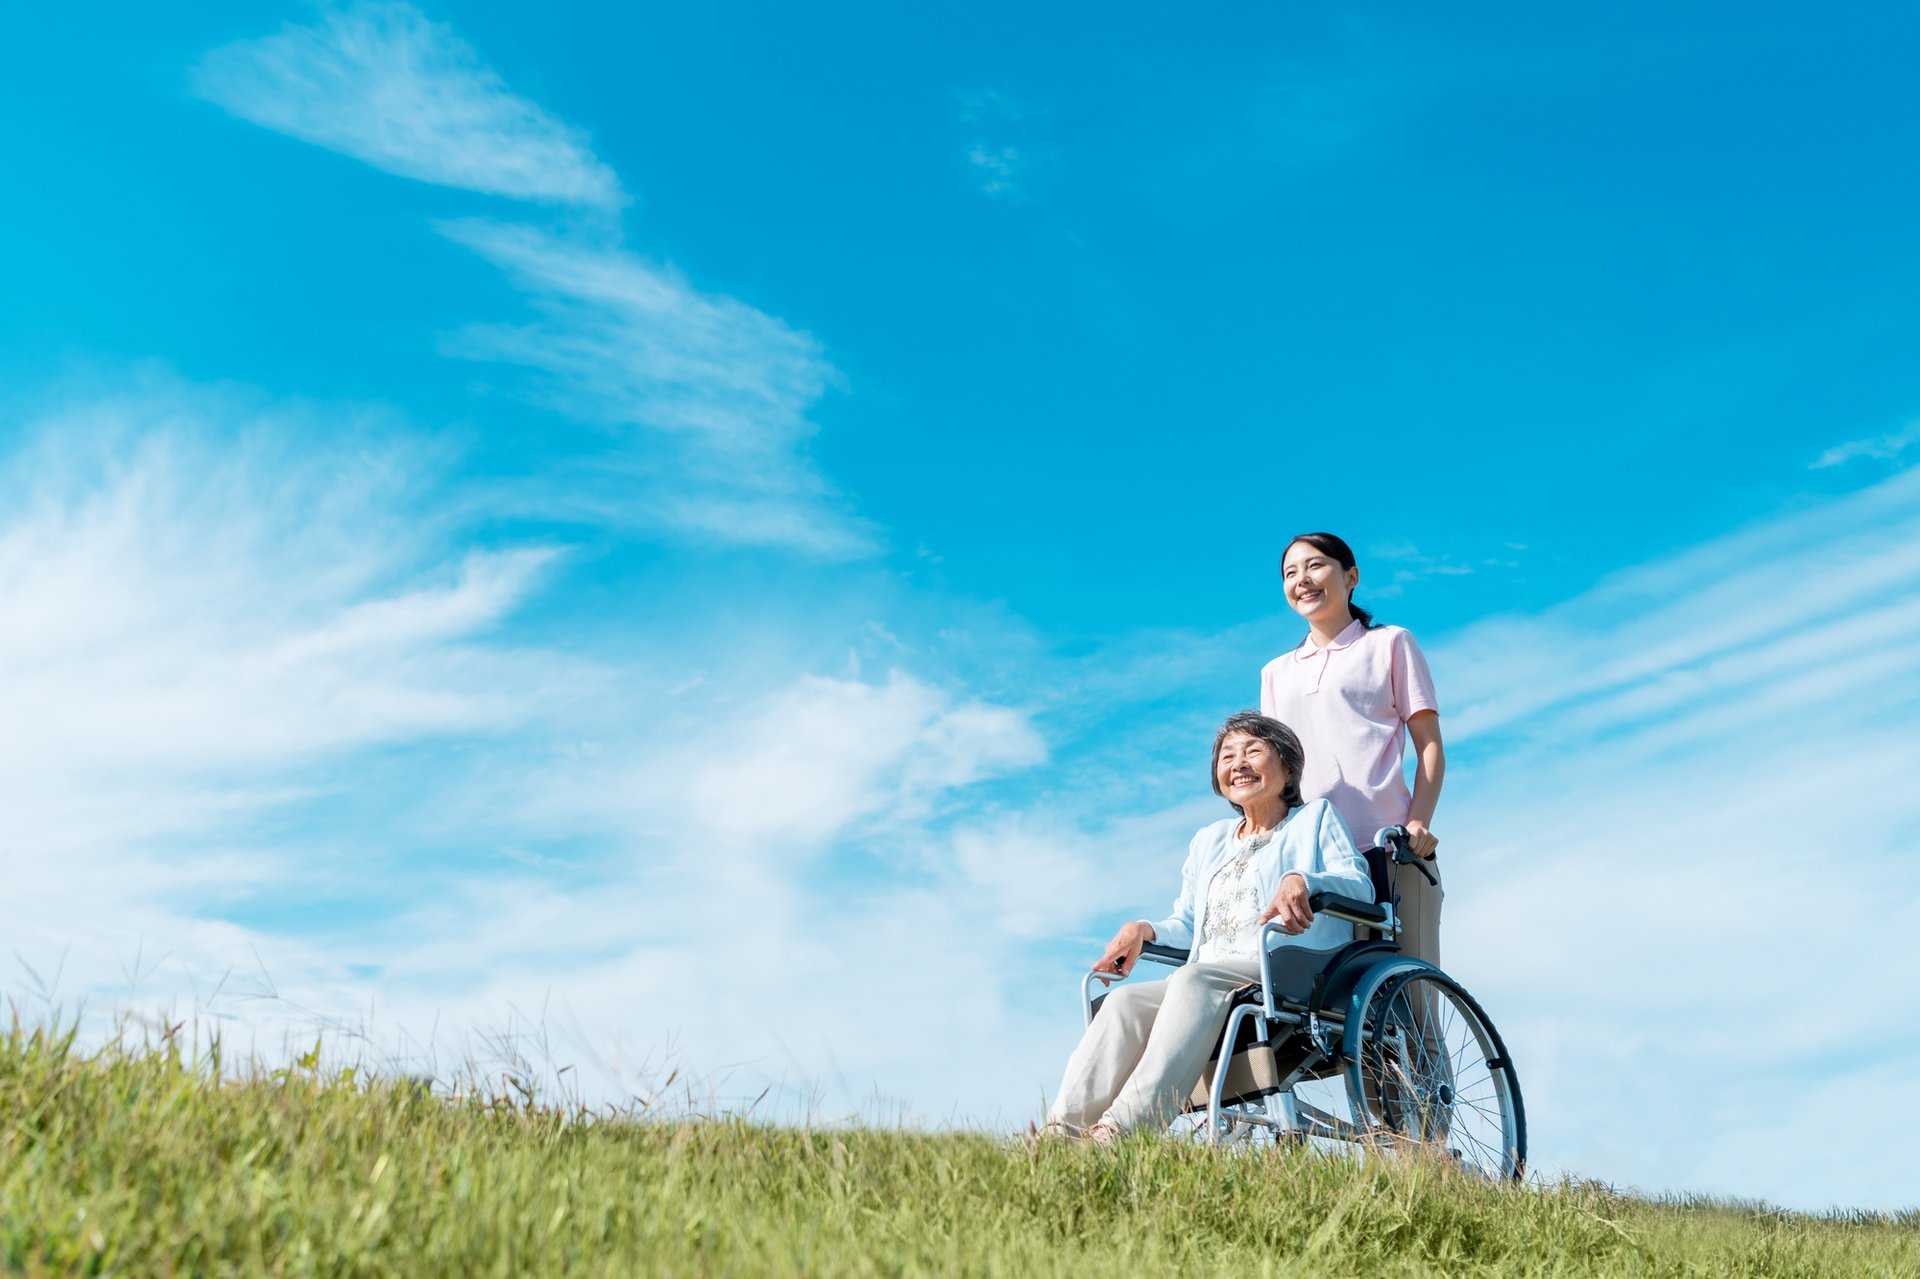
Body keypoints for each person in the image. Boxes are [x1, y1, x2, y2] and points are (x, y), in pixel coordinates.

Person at [1045, 713, 1372, 1141]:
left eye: (1254, 751)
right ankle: (1060, 1134)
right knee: (1125, 1002)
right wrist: (1144, 929)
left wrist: (1304, 880)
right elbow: (1187, 924)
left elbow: (1360, 885)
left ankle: (1122, 1130)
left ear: (1288, 768)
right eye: (1227, 756)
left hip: (1286, 967)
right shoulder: (1208, 841)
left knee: (1193, 979)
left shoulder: (1314, 819)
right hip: (1210, 976)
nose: (1238, 763)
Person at [1259, 532, 1446, 966]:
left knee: (1411, 1003)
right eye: (1290, 573)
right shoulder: (1274, 673)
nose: (1302, 579)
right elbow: (1275, 776)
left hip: (1388, 848)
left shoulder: (1390, 644)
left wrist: (1418, 823)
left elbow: (1430, 746)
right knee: (1325, 1007)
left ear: (1352, 576)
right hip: (1312, 860)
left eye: (1315, 565)